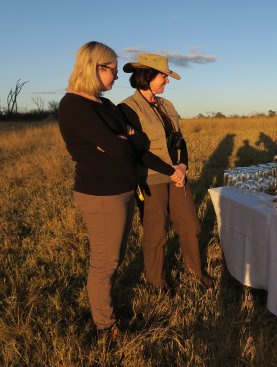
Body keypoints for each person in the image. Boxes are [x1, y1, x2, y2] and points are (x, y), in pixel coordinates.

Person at [58, 41, 151, 341]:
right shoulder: (74, 105)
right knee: (104, 262)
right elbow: (119, 149)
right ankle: (105, 328)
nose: (116, 76)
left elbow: (137, 144)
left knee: (114, 258)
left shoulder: (105, 105)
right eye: (111, 69)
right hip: (100, 195)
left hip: (121, 190)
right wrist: (123, 141)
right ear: (93, 68)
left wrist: (126, 139)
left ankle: (106, 316)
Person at [118, 53, 212, 290]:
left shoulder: (166, 105)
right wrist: (170, 171)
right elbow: (137, 149)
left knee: (190, 226)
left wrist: (183, 166)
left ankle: (195, 273)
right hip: (151, 177)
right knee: (155, 232)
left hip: (176, 175)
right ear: (147, 75)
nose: (167, 81)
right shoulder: (126, 109)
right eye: (163, 76)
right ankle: (156, 283)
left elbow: (180, 140)